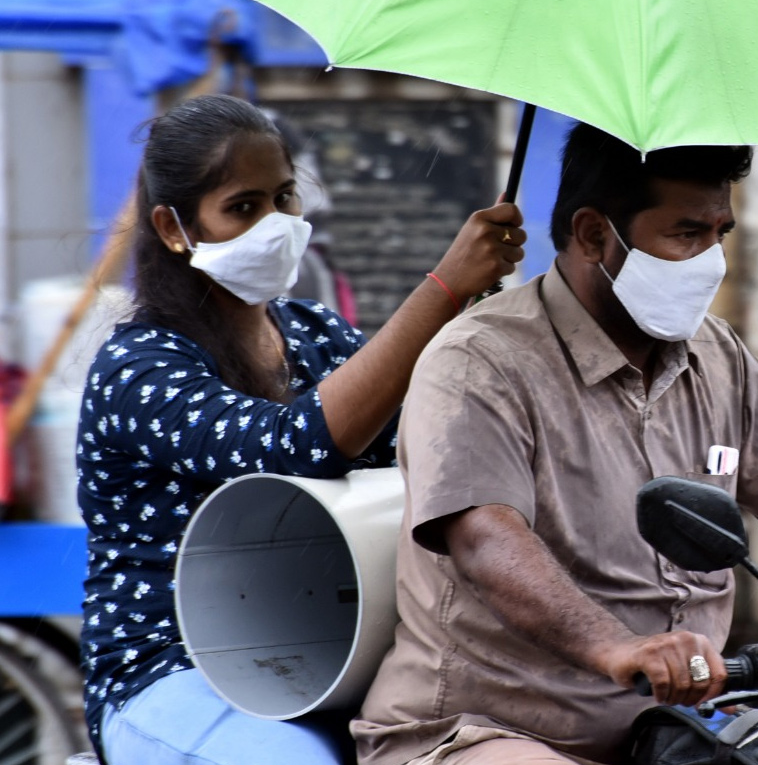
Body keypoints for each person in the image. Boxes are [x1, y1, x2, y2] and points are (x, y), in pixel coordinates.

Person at [351, 122, 758, 765]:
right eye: (686, 234)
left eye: (720, 234)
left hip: (671, 733)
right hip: (483, 733)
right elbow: (485, 536)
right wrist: (617, 647)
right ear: (593, 234)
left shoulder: (717, 358)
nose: (711, 261)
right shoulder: (480, 360)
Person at [76, 94, 525, 765]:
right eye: (243, 208)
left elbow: (420, 445)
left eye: (284, 198)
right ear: (173, 228)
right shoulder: (139, 366)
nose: (277, 223)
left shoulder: (313, 333)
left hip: (329, 661)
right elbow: (294, 446)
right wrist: (444, 290)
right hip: (172, 674)